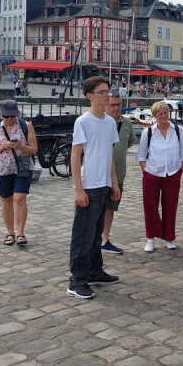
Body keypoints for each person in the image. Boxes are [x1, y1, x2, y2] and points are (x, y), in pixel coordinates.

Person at [67, 77, 121, 299]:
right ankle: (76, 281)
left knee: (96, 234)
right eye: (102, 92)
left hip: (104, 184)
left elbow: (108, 155)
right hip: (89, 185)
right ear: (90, 96)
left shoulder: (109, 122)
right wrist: (78, 189)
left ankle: (95, 271)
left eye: (107, 91)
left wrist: (114, 183)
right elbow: (75, 155)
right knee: (82, 235)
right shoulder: (83, 121)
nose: (107, 95)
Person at [136, 102, 183, 252]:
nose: (164, 116)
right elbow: (141, 154)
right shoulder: (149, 132)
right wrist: (145, 171)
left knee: (170, 207)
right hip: (152, 173)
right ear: (155, 116)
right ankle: (151, 238)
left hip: (172, 173)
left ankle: (168, 237)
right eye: (160, 114)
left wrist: (180, 170)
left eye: (166, 112)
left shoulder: (178, 130)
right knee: (150, 207)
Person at [0, 100, 38, 247]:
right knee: (6, 200)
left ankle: (20, 232)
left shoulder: (25, 126)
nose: (10, 119)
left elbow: (34, 149)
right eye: (7, 116)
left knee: (20, 198)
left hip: (22, 168)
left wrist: (21, 146)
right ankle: (10, 232)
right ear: (2, 115)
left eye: (12, 116)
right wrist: (1, 148)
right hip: (2, 169)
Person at [101, 93, 137, 254]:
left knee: (110, 208)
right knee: (95, 208)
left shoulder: (127, 123)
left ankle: (105, 239)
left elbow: (129, 142)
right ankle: (93, 239)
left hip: (119, 174)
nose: (116, 108)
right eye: (112, 105)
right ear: (104, 106)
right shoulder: (98, 122)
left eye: (118, 104)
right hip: (99, 175)